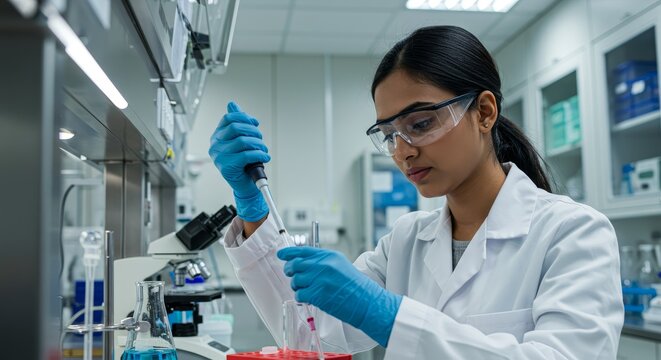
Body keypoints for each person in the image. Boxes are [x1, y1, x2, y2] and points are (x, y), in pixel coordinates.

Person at [208, 26, 623, 359]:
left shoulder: (573, 233)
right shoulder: (406, 241)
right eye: (388, 134)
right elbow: (312, 329)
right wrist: (254, 207)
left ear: (484, 112)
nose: (403, 151)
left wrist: (389, 317)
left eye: (420, 124)